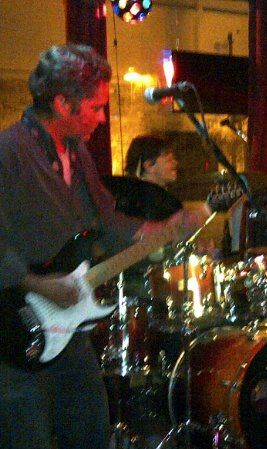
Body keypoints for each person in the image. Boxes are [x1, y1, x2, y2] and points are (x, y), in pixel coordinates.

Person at [0, 44, 209, 449]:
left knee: (92, 430)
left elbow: (106, 221)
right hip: (14, 329)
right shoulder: (9, 152)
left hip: (68, 327)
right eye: (95, 107)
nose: (101, 116)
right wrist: (37, 284)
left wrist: (164, 228)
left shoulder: (76, 153)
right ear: (63, 103)